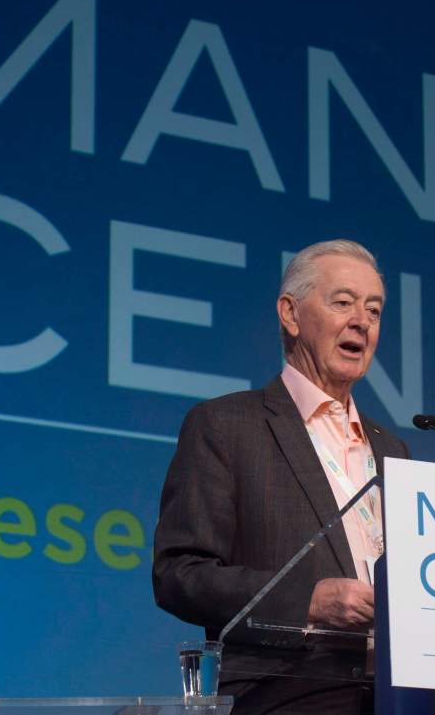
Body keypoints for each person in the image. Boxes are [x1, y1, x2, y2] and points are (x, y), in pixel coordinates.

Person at [152, 239, 407, 714]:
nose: (362, 321)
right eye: (343, 302)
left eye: (374, 310)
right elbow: (179, 575)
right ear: (290, 314)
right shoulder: (228, 426)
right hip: (288, 692)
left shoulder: (392, 449)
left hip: (398, 696)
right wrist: (308, 601)